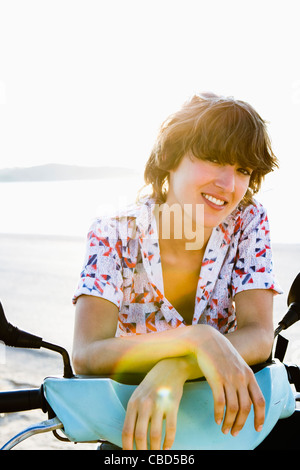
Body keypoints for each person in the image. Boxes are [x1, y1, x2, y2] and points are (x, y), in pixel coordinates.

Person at [72, 92, 282, 450]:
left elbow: (260, 335)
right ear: (170, 157)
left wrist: (179, 366)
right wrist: (196, 339)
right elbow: (87, 354)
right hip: (141, 426)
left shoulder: (248, 220)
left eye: (243, 170)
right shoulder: (114, 230)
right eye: (214, 159)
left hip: (228, 424)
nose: (229, 185)